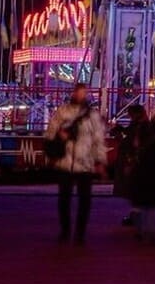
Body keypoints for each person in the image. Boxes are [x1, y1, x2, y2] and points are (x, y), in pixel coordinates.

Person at [45, 82, 108, 243]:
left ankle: (80, 233)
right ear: (74, 93)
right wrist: (60, 135)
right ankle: (65, 230)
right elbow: (51, 132)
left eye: (84, 93)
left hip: (84, 162)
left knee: (84, 200)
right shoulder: (62, 111)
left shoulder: (92, 115)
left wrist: (100, 160)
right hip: (66, 162)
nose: (81, 96)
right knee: (64, 199)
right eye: (79, 93)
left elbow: (98, 140)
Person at [130, 114, 155, 243]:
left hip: (142, 172)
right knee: (153, 204)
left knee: (140, 203)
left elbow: (136, 147)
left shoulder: (144, 143)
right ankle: (153, 231)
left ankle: (141, 230)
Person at [116, 104, 149, 227]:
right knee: (137, 191)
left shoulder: (137, 126)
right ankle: (138, 215)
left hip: (135, 162)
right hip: (140, 162)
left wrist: (130, 161)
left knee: (134, 190)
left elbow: (130, 143)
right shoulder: (143, 125)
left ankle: (137, 216)